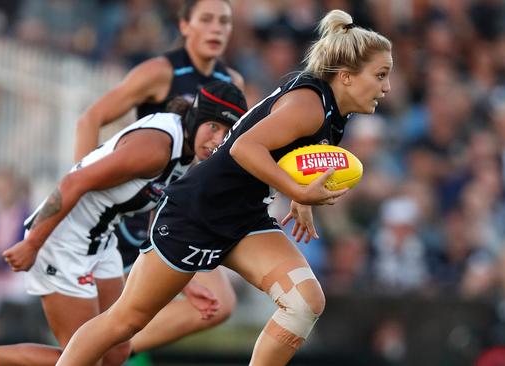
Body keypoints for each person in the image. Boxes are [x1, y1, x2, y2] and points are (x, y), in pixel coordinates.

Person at [57, 9, 393, 366]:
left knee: (304, 301)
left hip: (243, 217)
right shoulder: (309, 106)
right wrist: (297, 191)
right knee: (125, 321)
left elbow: (295, 157)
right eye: (381, 75)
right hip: (195, 214)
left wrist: (302, 197)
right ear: (346, 76)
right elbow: (243, 147)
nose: (387, 87)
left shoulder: (333, 112)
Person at [0, 81, 248, 366]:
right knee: (83, 359)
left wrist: (187, 283)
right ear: (195, 118)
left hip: (99, 240)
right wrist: (33, 243)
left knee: (116, 353)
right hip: (62, 241)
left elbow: (153, 202)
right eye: (213, 126)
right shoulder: (155, 148)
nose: (218, 139)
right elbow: (74, 182)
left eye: (227, 131)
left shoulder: (185, 149)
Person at [74, 0, 242, 355]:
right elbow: (90, 118)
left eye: (224, 21)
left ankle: (114, 351)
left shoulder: (232, 83)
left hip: (186, 210)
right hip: (136, 209)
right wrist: (83, 191)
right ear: (184, 26)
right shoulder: (160, 72)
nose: (216, 28)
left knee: (219, 304)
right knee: (106, 320)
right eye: (207, 19)